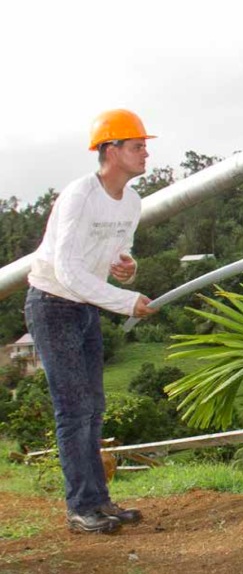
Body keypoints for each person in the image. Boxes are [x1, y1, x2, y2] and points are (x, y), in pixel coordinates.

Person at [25, 109, 159, 534]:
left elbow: (119, 253)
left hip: (85, 306)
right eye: (137, 146)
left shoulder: (133, 202)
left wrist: (126, 269)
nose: (145, 153)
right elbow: (65, 269)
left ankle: (99, 501)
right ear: (111, 150)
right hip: (52, 304)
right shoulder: (80, 194)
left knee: (94, 409)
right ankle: (81, 508)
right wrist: (125, 300)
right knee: (74, 410)